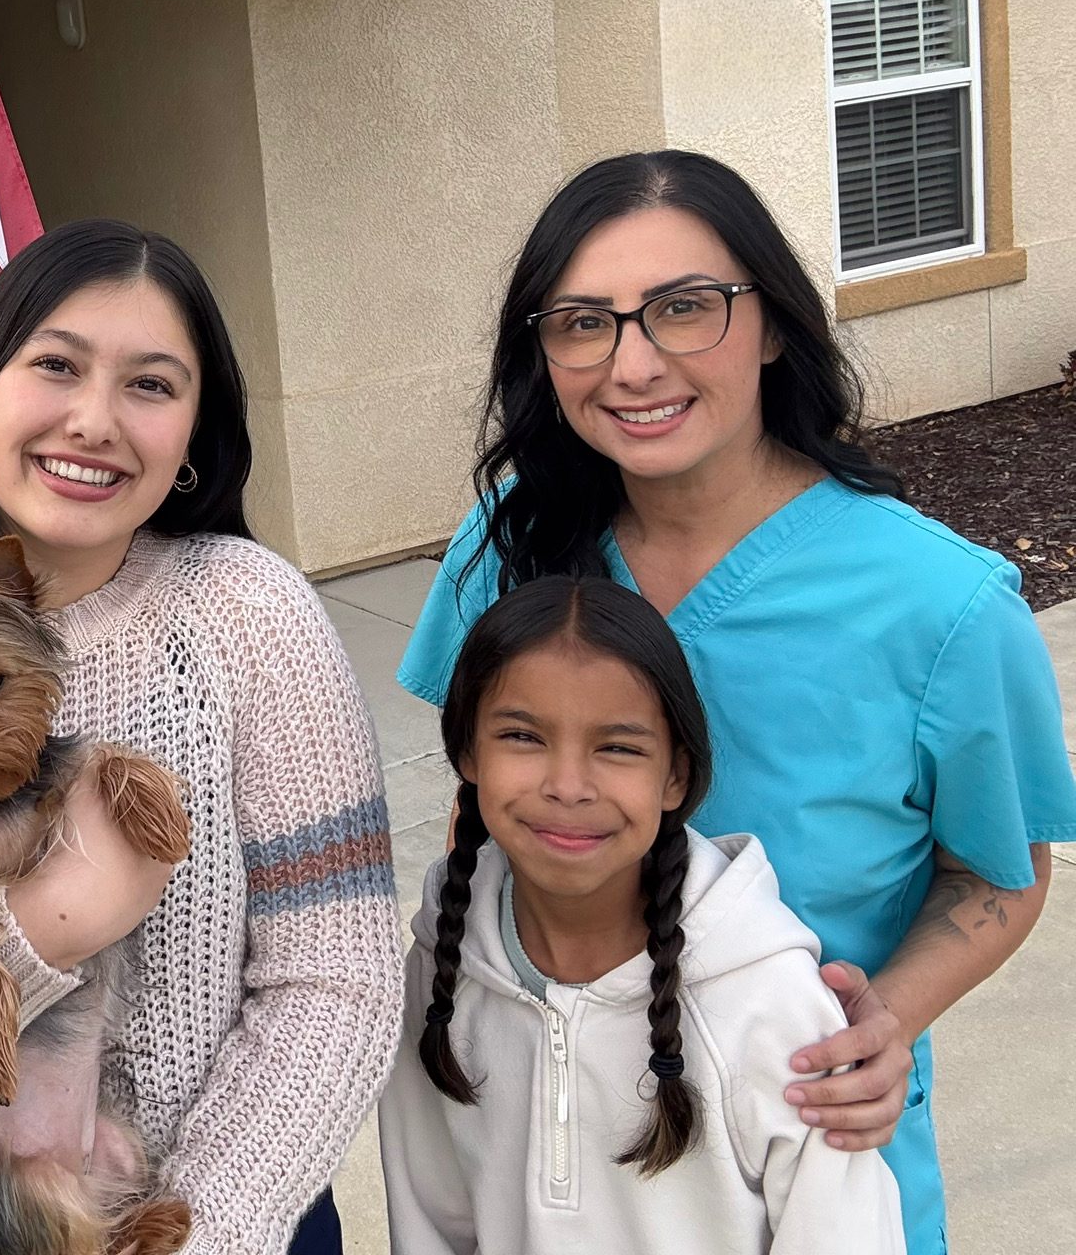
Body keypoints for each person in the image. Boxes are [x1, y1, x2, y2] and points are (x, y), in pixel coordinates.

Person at [396, 150, 1076, 1253]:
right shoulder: (507, 545)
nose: (631, 362)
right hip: (552, 1151)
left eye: (682, 308)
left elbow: (1001, 866)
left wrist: (884, 1021)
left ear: (771, 325)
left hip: (807, 1157)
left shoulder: (939, 604)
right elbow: (480, 808)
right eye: (581, 321)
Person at [0, 219, 403, 1255]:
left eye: (150, 383)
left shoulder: (250, 612)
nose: (93, 420)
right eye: (54, 364)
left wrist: (203, 1233)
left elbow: (337, 976)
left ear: (194, 433)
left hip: (220, 1220)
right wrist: (47, 923)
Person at [379, 575, 906, 1254]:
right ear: (467, 755)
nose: (568, 786)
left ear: (677, 776)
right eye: (522, 736)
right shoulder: (441, 969)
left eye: (619, 747)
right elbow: (431, 1226)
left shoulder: (770, 1001)